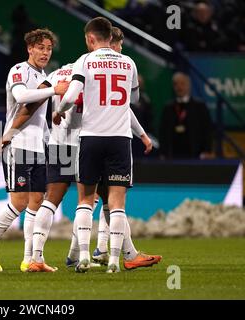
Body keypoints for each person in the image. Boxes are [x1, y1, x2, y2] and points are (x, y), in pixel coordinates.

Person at [54, 17, 145, 273]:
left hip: (91, 137)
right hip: (120, 139)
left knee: (85, 198)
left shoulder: (85, 60)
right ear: (110, 36)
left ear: (91, 39)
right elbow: (134, 99)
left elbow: (71, 95)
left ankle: (83, 254)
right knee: (117, 203)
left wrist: (60, 110)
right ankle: (115, 260)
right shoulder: (128, 62)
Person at [0, 29, 69, 272]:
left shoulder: (43, 75)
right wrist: (53, 90)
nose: (45, 52)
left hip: (38, 145)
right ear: (30, 48)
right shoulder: (19, 70)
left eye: (49, 49)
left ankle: (30, 260)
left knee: (36, 202)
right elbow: (22, 96)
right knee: (18, 202)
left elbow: (38, 116)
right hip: (17, 143)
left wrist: (51, 125)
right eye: (41, 48)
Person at [86, 27, 161, 271]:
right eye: (119, 44)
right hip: (114, 140)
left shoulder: (85, 65)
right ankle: (112, 256)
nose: (120, 49)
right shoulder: (123, 64)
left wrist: (142, 134)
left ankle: (102, 251)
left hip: (89, 141)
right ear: (111, 42)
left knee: (99, 200)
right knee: (107, 200)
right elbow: (130, 103)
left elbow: (123, 108)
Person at [159, 72, 213, 159]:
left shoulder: (200, 106)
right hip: (173, 155)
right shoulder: (168, 108)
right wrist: (162, 152)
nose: (179, 87)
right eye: (176, 84)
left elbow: (207, 130)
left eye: (182, 84)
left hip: (195, 154)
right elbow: (163, 132)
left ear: (189, 85)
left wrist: (207, 150)